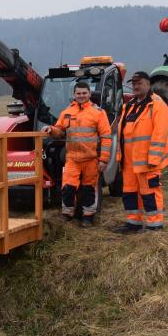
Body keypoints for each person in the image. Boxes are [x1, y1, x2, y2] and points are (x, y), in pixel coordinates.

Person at [42, 82, 112, 227]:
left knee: (89, 190)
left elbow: (106, 137)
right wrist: (51, 130)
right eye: (78, 93)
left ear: (89, 94)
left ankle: (88, 217)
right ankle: (67, 215)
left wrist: (104, 160)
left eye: (84, 93)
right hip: (72, 159)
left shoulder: (98, 113)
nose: (81, 96)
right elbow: (59, 130)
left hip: (91, 159)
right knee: (68, 188)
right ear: (74, 95)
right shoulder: (67, 112)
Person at [113, 71, 168, 234]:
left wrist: (153, 158)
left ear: (148, 84)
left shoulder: (157, 105)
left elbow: (160, 134)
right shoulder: (129, 105)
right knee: (129, 193)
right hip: (129, 162)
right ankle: (133, 224)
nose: (136, 86)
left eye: (139, 83)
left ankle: (155, 225)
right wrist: (120, 158)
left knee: (150, 193)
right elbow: (122, 134)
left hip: (148, 161)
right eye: (134, 83)